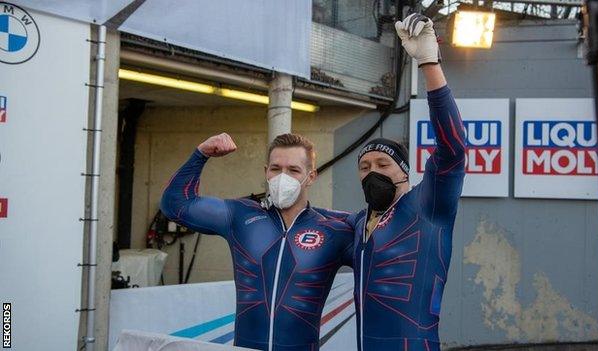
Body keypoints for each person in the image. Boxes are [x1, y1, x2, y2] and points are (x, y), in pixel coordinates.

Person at [160, 133, 353, 351]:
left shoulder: (333, 230)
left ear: (311, 176)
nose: (283, 177)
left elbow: (388, 258)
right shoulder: (240, 215)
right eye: (275, 168)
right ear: (266, 172)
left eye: (293, 170)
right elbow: (175, 204)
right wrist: (201, 154)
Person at [348, 13, 466, 351]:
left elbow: (453, 149)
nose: (373, 172)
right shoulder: (357, 225)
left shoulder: (426, 205)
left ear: (404, 172)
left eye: (383, 163)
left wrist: (429, 63)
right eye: (364, 166)